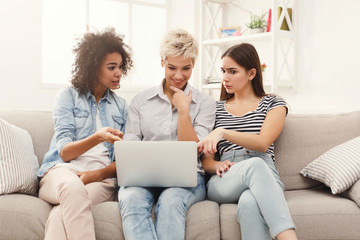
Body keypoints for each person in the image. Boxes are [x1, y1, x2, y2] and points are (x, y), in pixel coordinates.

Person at [118, 29, 216, 240]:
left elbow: (193, 151)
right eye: (172, 67)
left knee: (171, 201)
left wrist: (183, 111)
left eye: (186, 68)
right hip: (143, 177)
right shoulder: (141, 101)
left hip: (188, 180)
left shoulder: (206, 103)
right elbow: (130, 147)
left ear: (194, 65)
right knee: (130, 198)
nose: (179, 75)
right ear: (162, 62)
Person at [37, 28, 133, 240]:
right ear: (93, 66)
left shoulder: (122, 107)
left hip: (101, 180)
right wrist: (98, 136)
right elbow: (65, 153)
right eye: (111, 67)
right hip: (62, 172)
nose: (118, 73)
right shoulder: (68, 96)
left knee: (61, 214)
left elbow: (127, 160)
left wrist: (95, 175)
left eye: (120, 67)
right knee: (72, 187)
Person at [198, 43, 298, 240]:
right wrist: (217, 164)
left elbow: (263, 143)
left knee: (250, 202)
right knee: (255, 166)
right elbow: (206, 161)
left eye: (233, 71)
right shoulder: (214, 108)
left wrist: (223, 132)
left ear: (252, 73)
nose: (225, 78)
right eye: (223, 71)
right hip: (226, 178)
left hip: (264, 172)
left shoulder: (274, 103)